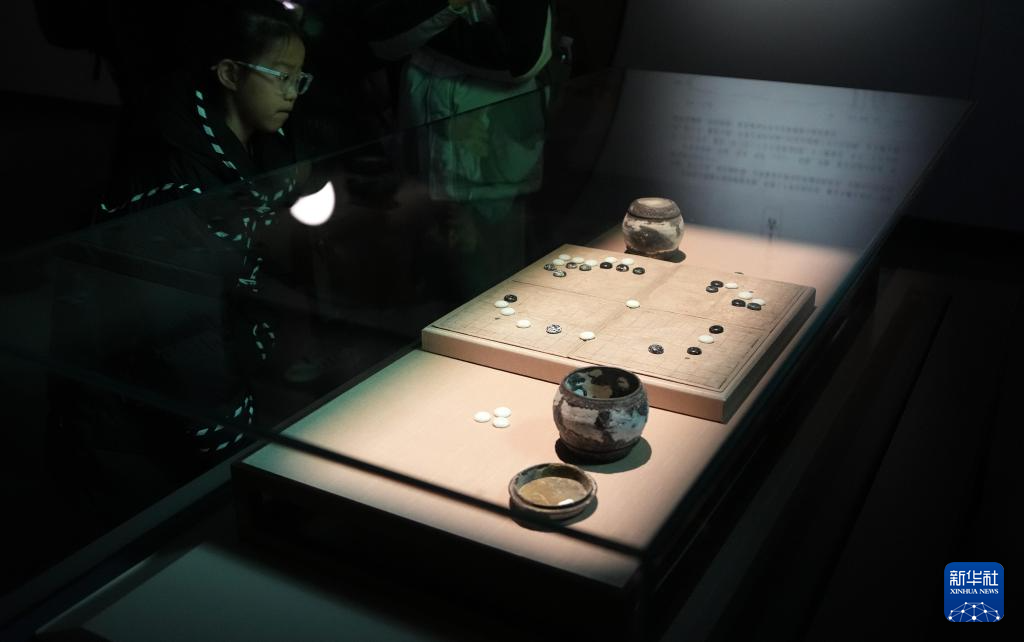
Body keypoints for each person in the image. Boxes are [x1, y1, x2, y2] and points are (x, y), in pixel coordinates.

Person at [45, 0, 317, 524]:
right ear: (230, 74)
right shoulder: (175, 182)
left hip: (188, 384)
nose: (292, 92)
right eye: (281, 75)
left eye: (300, 79)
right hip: (129, 424)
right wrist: (238, 446)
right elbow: (182, 340)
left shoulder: (257, 152)